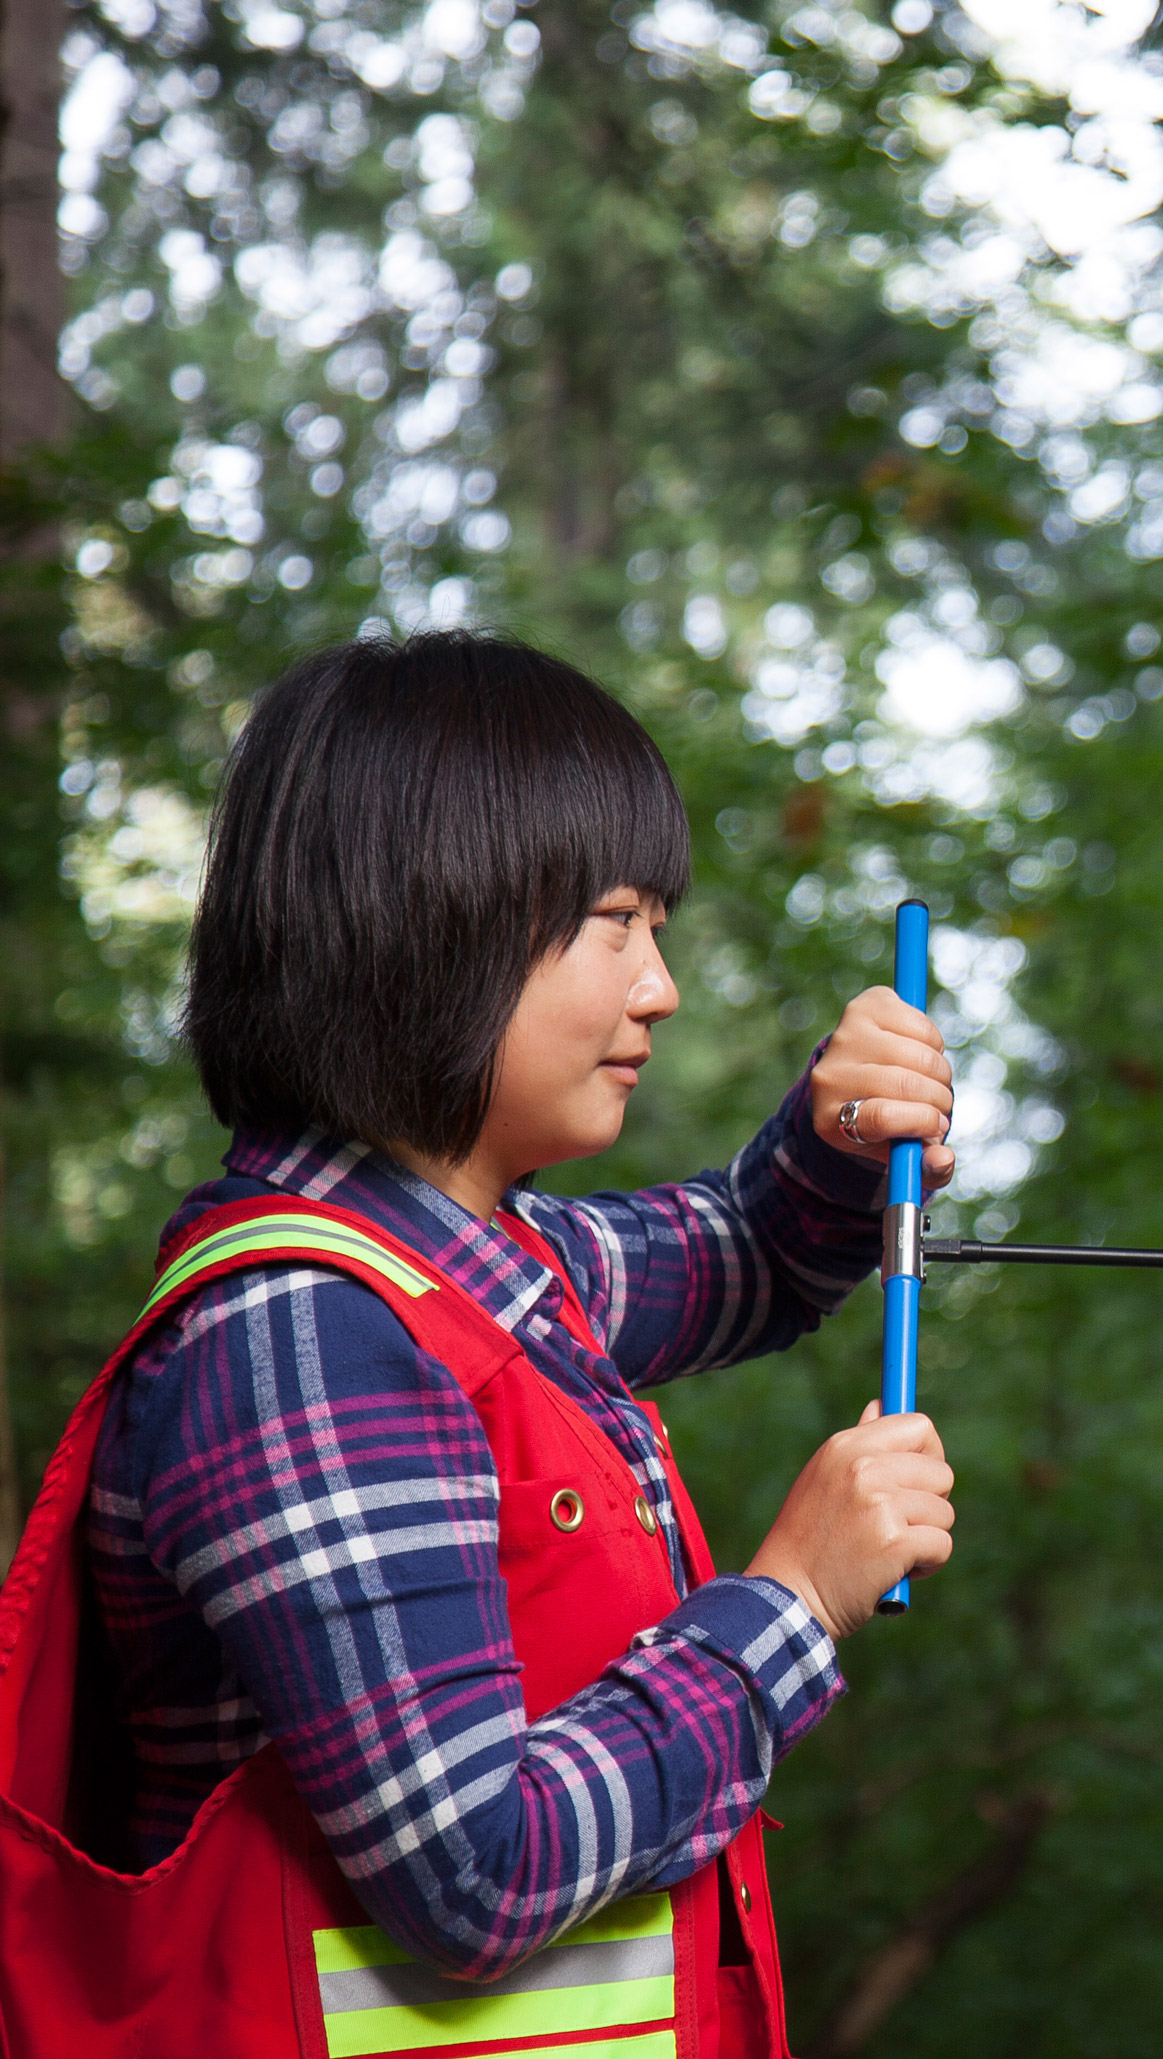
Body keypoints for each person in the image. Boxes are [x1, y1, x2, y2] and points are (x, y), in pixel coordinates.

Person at [0, 633, 958, 2057]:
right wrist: (793, 1601)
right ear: (429, 921)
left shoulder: (489, 1269)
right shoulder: (304, 1338)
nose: (661, 987)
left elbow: (746, 1258)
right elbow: (475, 1868)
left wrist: (839, 1139)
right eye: (616, 924)